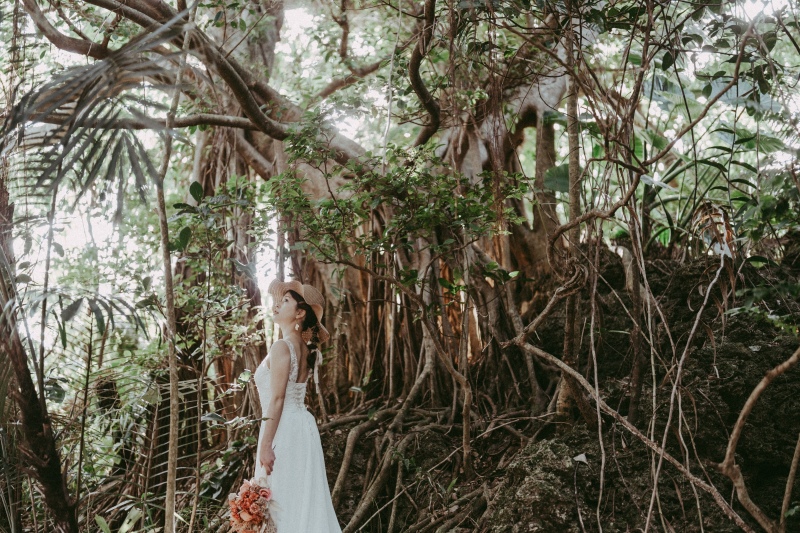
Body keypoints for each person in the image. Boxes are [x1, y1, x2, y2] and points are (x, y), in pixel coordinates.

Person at [253, 279, 342, 532]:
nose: (277, 305)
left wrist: (267, 445)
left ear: (300, 313)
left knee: (281, 501)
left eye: (286, 301)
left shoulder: (282, 346)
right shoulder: (304, 348)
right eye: (277, 301)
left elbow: (278, 399)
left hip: (282, 429)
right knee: (299, 500)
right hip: (301, 427)